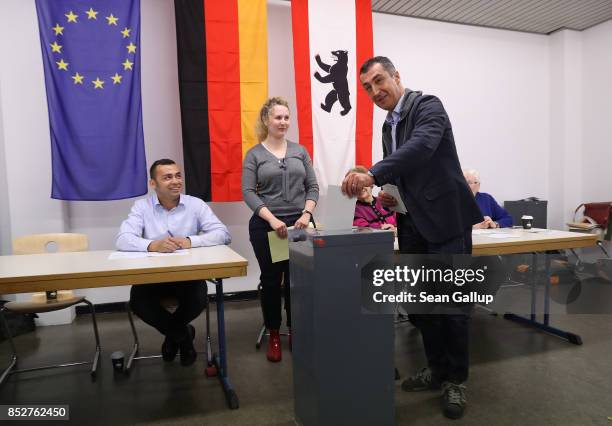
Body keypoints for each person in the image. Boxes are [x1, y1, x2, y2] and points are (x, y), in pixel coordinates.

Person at [342, 57, 483, 420]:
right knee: (422, 306)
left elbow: (420, 148)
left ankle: (456, 379)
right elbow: (405, 170)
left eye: (379, 81)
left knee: (451, 305)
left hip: (447, 221)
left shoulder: (428, 106)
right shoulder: (388, 126)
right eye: (368, 88)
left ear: (396, 76)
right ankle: (436, 369)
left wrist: (372, 174)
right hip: (413, 223)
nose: (375, 91)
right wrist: (389, 193)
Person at [116, 158, 231, 366]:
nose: (176, 181)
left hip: (187, 274)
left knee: (197, 298)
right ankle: (184, 336)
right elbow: (122, 239)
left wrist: (190, 241)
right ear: (153, 184)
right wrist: (152, 245)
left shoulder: (195, 204)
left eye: (178, 176)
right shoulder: (141, 207)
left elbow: (223, 234)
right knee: (139, 302)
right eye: (167, 177)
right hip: (153, 277)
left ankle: (173, 335)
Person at [242, 97, 319, 363]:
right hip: (268, 227)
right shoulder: (254, 154)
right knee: (273, 281)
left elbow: (313, 187)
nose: (283, 122)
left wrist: (307, 213)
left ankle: (296, 330)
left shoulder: (300, 151)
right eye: (278, 117)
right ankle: (274, 333)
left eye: (287, 117)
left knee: (298, 282)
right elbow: (249, 192)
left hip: (299, 225)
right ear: (266, 120)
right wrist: (273, 220)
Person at [350, 165, 397, 234]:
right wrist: (383, 231)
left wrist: (395, 230)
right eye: (356, 185)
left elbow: (402, 224)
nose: (360, 187)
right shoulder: (354, 211)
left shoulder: (385, 200)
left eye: (362, 183)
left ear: (371, 184)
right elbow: (365, 234)